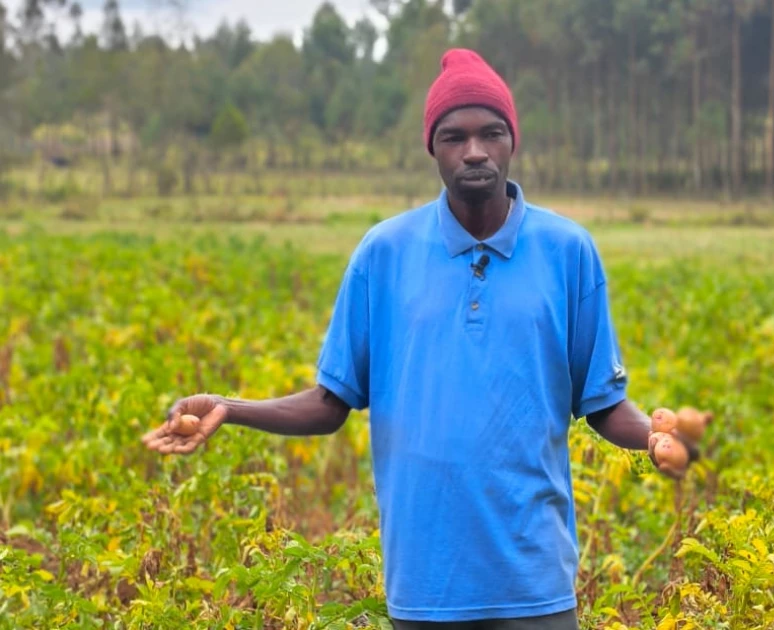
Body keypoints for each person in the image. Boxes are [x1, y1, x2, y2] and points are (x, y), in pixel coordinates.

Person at [142, 48, 697, 629]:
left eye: (492, 133)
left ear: (514, 141)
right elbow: (330, 403)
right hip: (425, 585)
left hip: (535, 583)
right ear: (431, 146)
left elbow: (603, 405)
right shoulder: (383, 254)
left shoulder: (568, 252)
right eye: (455, 136)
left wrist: (659, 438)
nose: (475, 151)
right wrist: (229, 409)